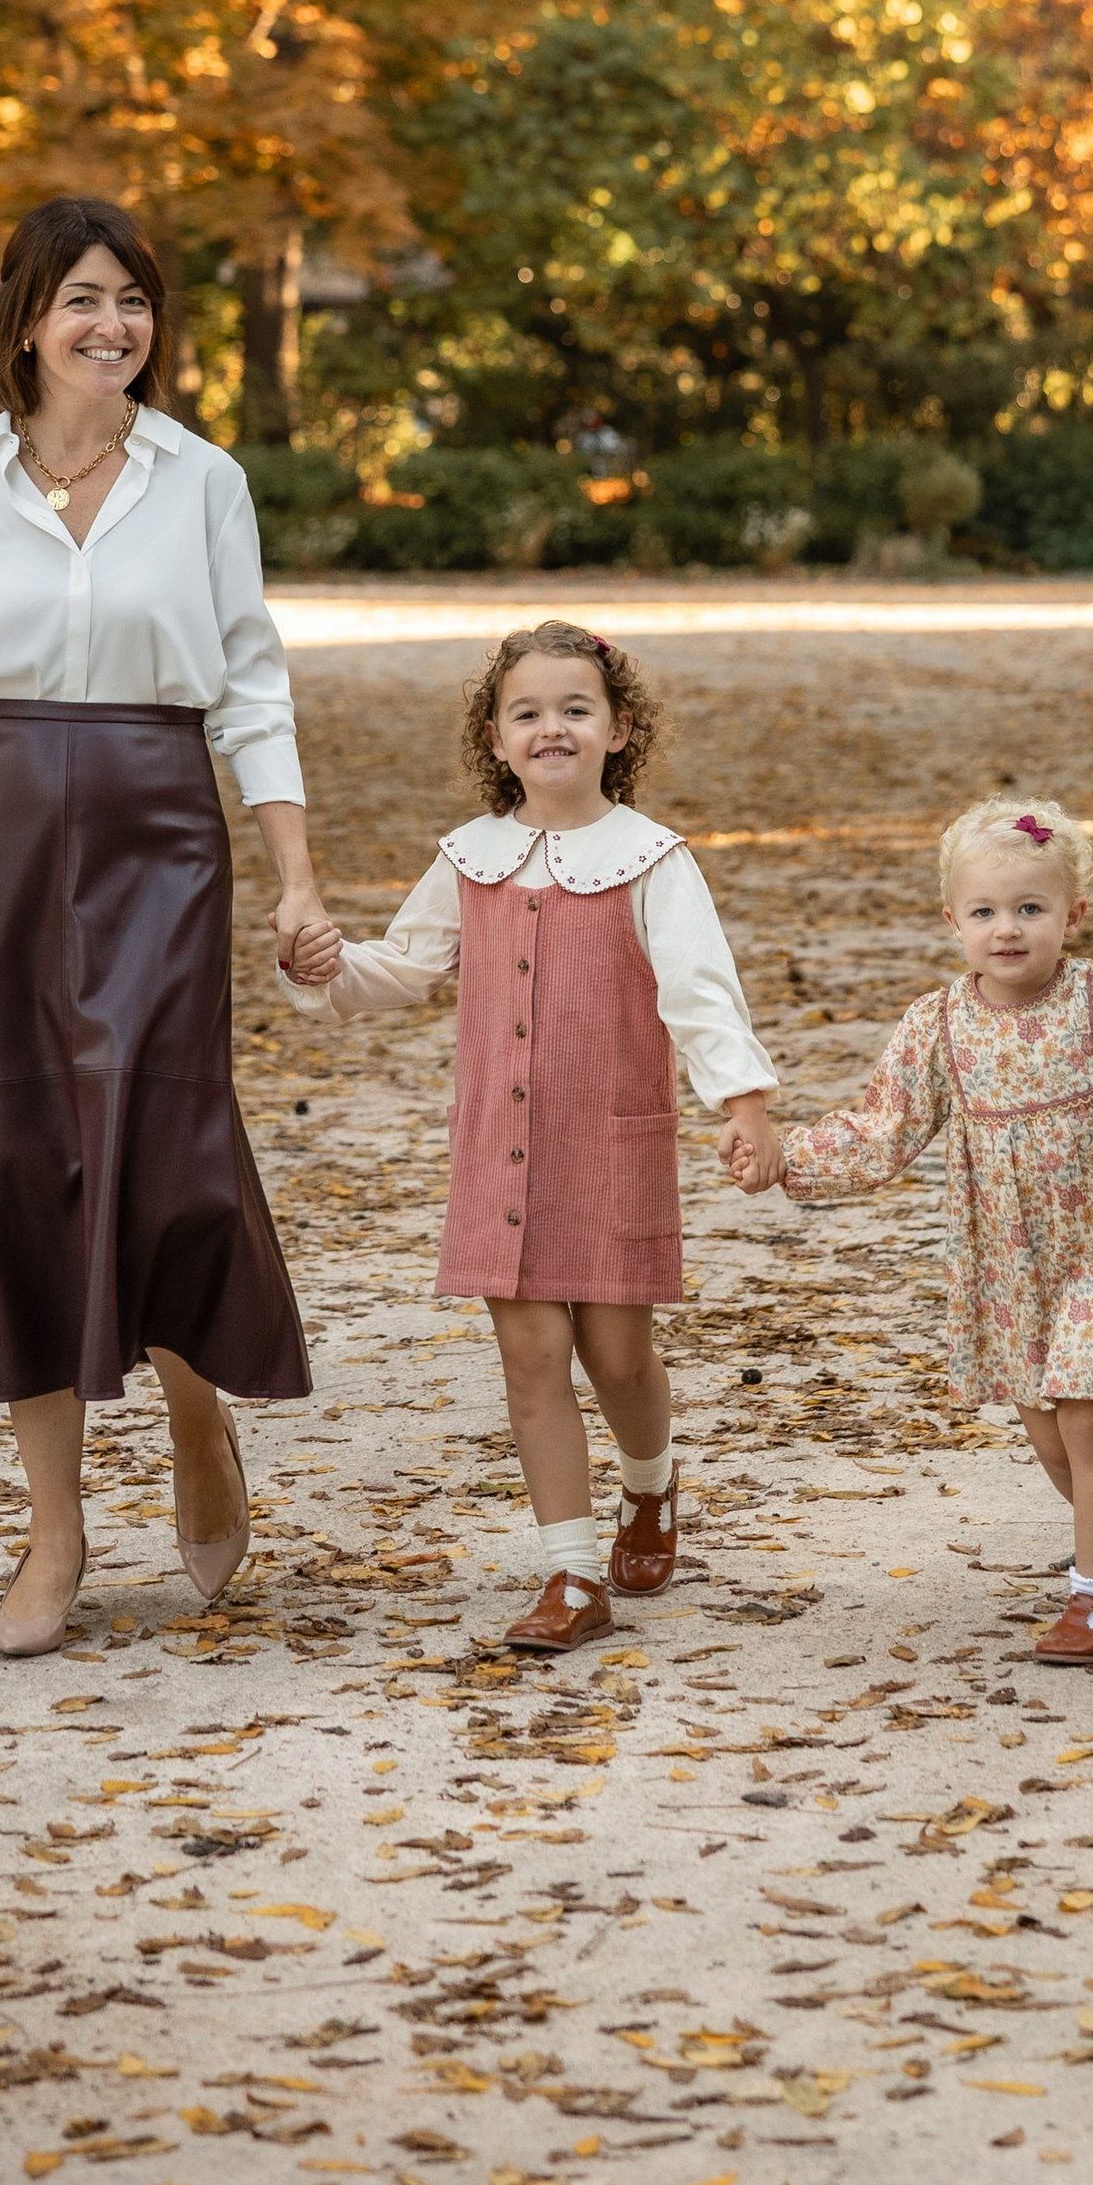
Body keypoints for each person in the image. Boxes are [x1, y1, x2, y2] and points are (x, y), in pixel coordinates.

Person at [0, 194, 332, 1660]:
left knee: (163, 1138)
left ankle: (194, 1396)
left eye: (131, 299)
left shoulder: (202, 480)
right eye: (80, 299)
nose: (110, 323)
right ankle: (53, 1533)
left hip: (155, 824)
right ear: (27, 319)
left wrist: (295, 874)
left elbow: (251, 682)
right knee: (1, 1151)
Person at [280, 617, 781, 1655]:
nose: (550, 727)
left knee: (618, 1356)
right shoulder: (471, 857)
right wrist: (323, 967)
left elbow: (700, 994)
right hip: (500, 1153)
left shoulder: (651, 860)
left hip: (606, 1144)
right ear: (496, 737)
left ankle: (650, 1487)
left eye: (574, 709)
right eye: (527, 712)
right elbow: (403, 972)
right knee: (528, 1352)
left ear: (619, 729)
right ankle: (569, 1569)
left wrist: (742, 1103)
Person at [729, 797, 1093, 1665]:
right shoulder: (940, 1025)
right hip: (1012, 1264)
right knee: (1051, 1439)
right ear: (952, 919)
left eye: (1031, 908)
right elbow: (884, 1129)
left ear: (1074, 915)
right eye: (986, 912)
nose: (1009, 930)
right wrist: (784, 1157)